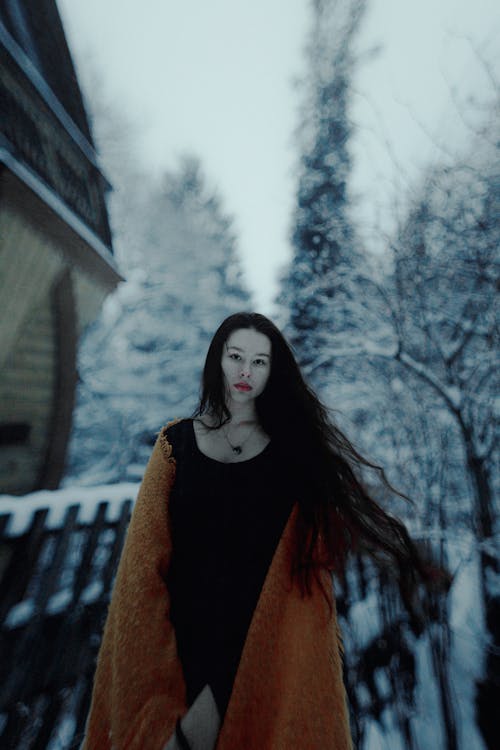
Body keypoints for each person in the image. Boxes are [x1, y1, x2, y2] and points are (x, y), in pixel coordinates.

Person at [82, 312, 433, 750]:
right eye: (236, 357)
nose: (245, 371)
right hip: (177, 647)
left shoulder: (294, 454)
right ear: (218, 362)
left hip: (259, 652)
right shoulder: (175, 446)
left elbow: (318, 553)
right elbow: (141, 569)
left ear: (274, 371)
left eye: (260, 362)